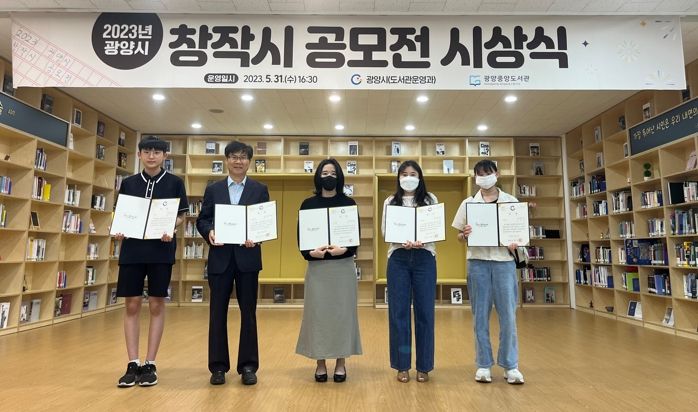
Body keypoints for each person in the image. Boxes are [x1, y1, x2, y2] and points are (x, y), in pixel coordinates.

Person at [114, 136, 189, 387]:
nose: (152, 156)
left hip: (161, 250)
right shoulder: (129, 183)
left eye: (157, 152)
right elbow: (122, 214)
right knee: (132, 305)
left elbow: (182, 215)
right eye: (147, 151)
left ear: (165, 156)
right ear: (139, 155)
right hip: (132, 251)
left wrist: (171, 226)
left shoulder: (175, 183)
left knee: (157, 304)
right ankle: (132, 362)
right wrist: (120, 229)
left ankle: (150, 363)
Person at [196, 141, 270, 386]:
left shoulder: (260, 189)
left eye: (243, 157)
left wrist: (257, 237)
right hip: (220, 259)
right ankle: (218, 367)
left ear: (249, 162)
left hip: (248, 259)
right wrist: (209, 232)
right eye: (234, 157)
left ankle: (248, 366)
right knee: (217, 313)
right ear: (226, 160)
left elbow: (264, 222)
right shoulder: (214, 189)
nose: (238, 161)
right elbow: (203, 220)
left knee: (249, 314)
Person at [451, 159, 525, 385]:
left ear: (497, 174)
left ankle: (510, 365)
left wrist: (516, 242)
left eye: (488, 173)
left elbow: (521, 234)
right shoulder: (468, 204)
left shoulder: (511, 202)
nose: (484, 177)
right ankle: (483, 364)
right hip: (478, 263)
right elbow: (459, 236)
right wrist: (465, 235)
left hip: (504, 263)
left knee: (508, 316)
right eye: (480, 174)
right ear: (475, 178)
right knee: (480, 316)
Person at [296, 158, 362, 383]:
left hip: (342, 268)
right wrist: (310, 253)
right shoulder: (307, 204)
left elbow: (355, 239)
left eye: (333, 173)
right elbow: (301, 239)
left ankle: (341, 363)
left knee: (343, 314)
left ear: (339, 177)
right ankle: (320, 363)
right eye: (324, 173)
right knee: (318, 315)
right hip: (318, 270)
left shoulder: (349, 203)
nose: (329, 177)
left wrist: (344, 250)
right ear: (318, 177)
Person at [381, 160, 438, 383]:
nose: (408, 177)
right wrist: (400, 240)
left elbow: (435, 229)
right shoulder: (390, 201)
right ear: (398, 178)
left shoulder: (430, 199)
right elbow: (386, 231)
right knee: (399, 314)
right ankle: (402, 365)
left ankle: (424, 366)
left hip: (425, 257)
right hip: (398, 258)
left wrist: (423, 240)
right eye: (404, 174)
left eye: (413, 174)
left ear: (420, 177)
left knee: (425, 313)